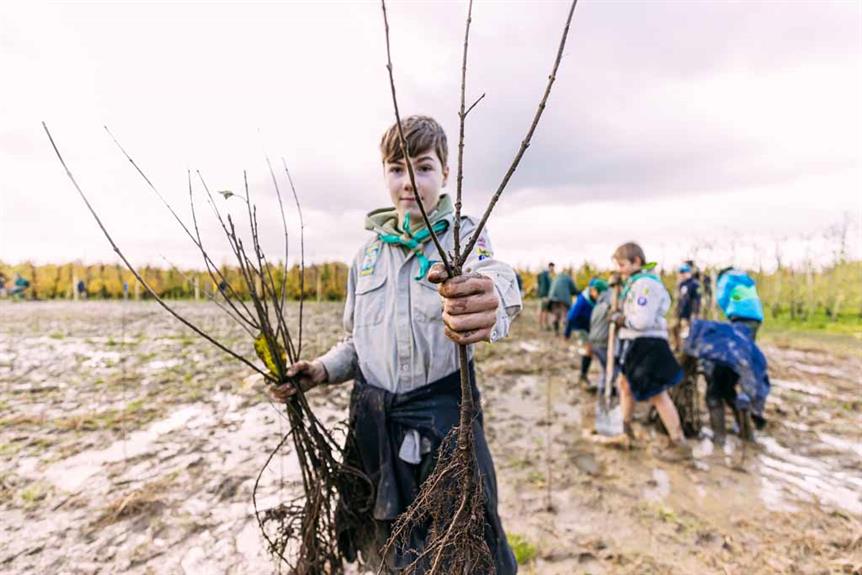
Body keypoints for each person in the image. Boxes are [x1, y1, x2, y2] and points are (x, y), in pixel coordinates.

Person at [270, 116, 520, 573]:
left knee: (459, 549)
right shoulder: (365, 258)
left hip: (445, 430)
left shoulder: (463, 237)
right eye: (396, 168)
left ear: (445, 173)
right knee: (389, 548)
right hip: (375, 428)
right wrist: (322, 370)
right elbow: (356, 341)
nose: (409, 182)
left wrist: (493, 297)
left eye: (423, 168)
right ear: (384, 173)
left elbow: (497, 278)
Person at [610, 242, 691, 460]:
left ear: (637, 262)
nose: (620, 269)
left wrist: (621, 320)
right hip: (636, 342)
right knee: (624, 384)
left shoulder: (645, 284)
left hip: (647, 344)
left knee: (656, 394)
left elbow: (642, 320)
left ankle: (679, 442)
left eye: (622, 264)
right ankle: (625, 430)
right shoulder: (634, 283)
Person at [565, 278, 608, 388]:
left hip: (590, 326)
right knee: (588, 349)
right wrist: (567, 333)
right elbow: (571, 317)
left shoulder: (600, 300)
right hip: (579, 325)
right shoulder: (583, 301)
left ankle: (604, 376)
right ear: (592, 290)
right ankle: (583, 376)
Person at [716, 267, 764, 340]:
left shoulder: (726, 278)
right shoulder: (746, 279)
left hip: (739, 315)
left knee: (738, 343)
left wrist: (727, 311)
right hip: (756, 316)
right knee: (749, 343)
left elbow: (722, 298)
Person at [671, 262, 701, 350]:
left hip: (689, 313)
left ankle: (687, 349)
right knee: (674, 328)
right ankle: (677, 346)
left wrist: (695, 312)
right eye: (681, 273)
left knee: (686, 333)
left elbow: (697, 300)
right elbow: (680, 299)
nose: (682, 275)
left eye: (684, 272)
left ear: (689, 273)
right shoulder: (681, 284)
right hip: (680, 312)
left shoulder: (694, 284)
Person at [547, 269, 578, 336]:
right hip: (563, 299)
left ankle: (556, 331)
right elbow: (574, 290)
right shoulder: (568, 278)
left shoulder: (556, 278)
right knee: (564, 316)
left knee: (556, 314)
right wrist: (579, 293)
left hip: (552, 298)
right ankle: (566, 333)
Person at [536, 262, 555, 331]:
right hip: (544, 296)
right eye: (552, 268)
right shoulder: (545, 275)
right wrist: (546, 295)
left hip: (542, 295)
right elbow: (544, 286)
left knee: (544, 311)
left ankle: (543, 325)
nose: (553, 270)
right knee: (543, 311)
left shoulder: (543, 275)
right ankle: (542, 326)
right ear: (550, 267)